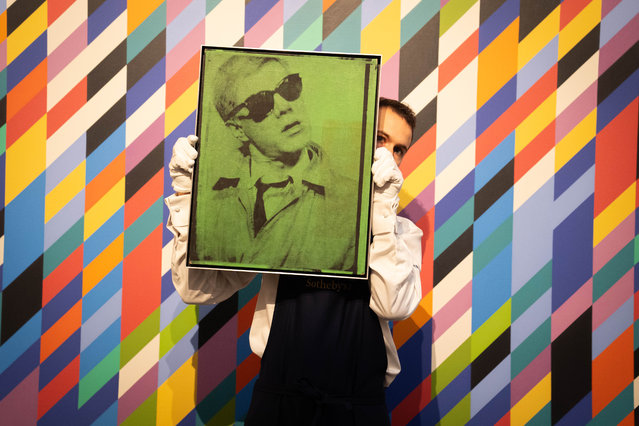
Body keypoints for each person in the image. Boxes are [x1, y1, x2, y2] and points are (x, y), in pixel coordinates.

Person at [166, 97, 423, 425]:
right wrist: (189, 194)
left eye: (399, 149)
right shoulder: (280, 208)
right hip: (280, 404)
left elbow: (393, 306)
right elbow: (197, 289)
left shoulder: (401, 234)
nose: (387, 155)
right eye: (379, 139)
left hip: (358, 409)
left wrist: (382, 210)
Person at [189, 54, 358, 273]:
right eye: (261, 103)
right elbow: (195, 287)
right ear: (237, 129)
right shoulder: (207, 202)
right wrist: (185, 193)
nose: (284, 107)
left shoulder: (352, 203)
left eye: (289, 88)